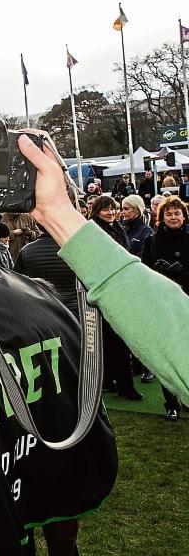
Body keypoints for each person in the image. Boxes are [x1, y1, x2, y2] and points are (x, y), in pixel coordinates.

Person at [16, 131, 189, 409]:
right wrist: (55, 212)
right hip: (84, 308)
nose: (113, 213)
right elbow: (173, 324)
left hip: (84, 308)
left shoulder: (126, 232)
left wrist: (56, 213)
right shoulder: (138, 237)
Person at [140, 196, 189, 421]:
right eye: (168, 213)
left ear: (184, 216)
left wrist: (182, 272)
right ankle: (171, 403)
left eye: (177, 213)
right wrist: (158, 273)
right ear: (161, 217)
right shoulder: (151, 241)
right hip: (161, 303)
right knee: (166, 354)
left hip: (185, 301)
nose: (173, 217)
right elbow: (143, 272)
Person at [88, 196, 141, 399]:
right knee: (115, 339)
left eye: (113, 209)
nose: (111, 212)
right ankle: (124, 385)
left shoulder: (117, 228)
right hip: (105, 289)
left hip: (119, 288)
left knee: (113, 339)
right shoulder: (94, 230)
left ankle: (112, 380)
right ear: (97, 211)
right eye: (106, 209)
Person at [14, 228, 79, 318]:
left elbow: (17, 282)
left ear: (38, 227)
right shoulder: (75, 249)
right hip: (73, 310)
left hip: (42, 309)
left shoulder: (26, 251)